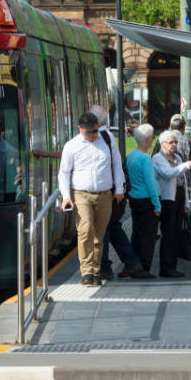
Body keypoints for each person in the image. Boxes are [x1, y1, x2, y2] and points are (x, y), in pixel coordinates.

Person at [59, 113, 125, 286]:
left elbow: (117, 164)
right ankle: (86, 271)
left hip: (104, 194)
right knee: (85, 229)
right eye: (88, 133)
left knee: (99, 236)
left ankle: (96, 271)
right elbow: (64, 172)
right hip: (81, 194)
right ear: (80, 129)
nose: (93, 135)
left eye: (95, 131)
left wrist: (119, 189)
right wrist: (66, 196)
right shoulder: (71, 146)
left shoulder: (107, 138)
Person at [90, 105, 143, 282]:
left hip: (109, 193)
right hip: (114, 192)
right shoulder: (108, 136)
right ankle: (131, 262)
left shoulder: (100, 137)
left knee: (104, 230)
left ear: (96, 121)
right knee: (112, 228)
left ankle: (105, 268)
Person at [152, 129, 191, 278]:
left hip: (178, 197)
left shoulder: (178, 158)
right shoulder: (158, 159)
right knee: (168, 234)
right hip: (167, 199)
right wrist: (187, 164)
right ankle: (166, 268)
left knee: (176, 232)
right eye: (170, 142)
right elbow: (168, 174)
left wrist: (186, 202)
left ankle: (172, 266)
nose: (174, 145)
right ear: (162, 144)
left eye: (175, 142)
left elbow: (183, 182)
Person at [125, 123, 160, 278]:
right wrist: (157, 204)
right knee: (148, 236)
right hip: (147, 200)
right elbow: (150, 182)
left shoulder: (131, 155)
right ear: (147, 139)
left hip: (134, 198)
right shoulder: (145, 158)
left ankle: (135, 264)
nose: (153, 139)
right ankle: (144, 268)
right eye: (152, 137)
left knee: (137, 233)